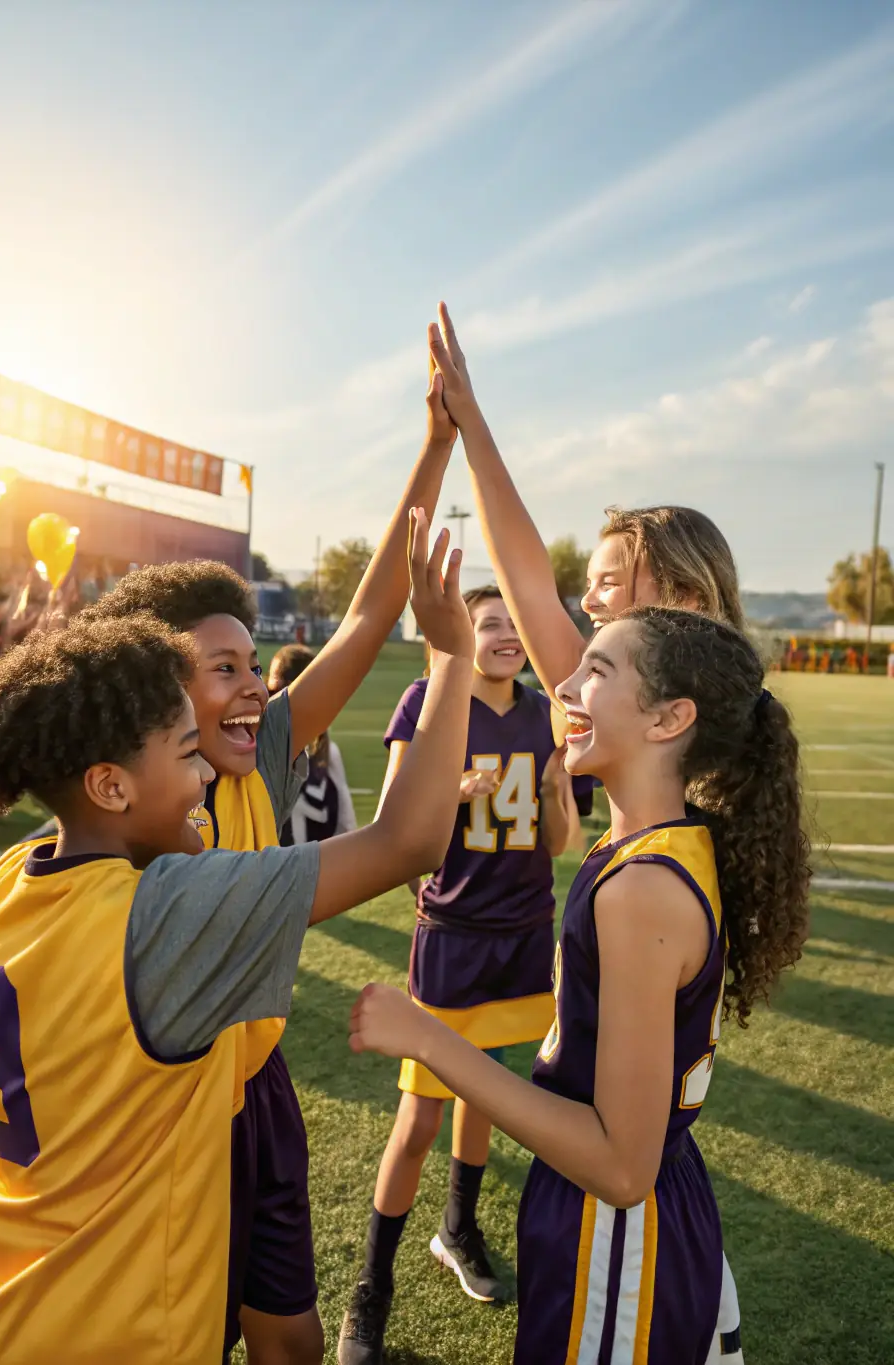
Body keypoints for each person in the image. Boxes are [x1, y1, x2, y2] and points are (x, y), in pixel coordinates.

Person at [0, 510, 477, 1365]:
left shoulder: (9, 881)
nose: (202, 782)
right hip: (104, 1325)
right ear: (110, 783)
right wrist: (451, 657)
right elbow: (409, 840)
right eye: (187, 754)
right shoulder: (163, 915)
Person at [84, 381, 457, 1365]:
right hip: (173, 1116)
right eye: (224, 669)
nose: (255, 686)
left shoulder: (265, 752)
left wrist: (434, 444)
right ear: (158, 693)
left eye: (255, 664)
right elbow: (407, 839)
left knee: (290, 1339)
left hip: (259, 1088)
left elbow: (367, 616)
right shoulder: (131, 835)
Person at [349, 607, 811, 1365]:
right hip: (623, 1212)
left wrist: (428, 1037)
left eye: (596, 670)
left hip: (616, 1233)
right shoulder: (655, 844)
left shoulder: (642, 890)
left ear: (669, 719)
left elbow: (621, 1168)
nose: (562, 686)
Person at [425, 302, 753, 1362]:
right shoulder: (664, 742)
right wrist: (471, 427)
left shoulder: (667, 778)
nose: (579, 607)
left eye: (607, 587)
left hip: (626, 1202)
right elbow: (526, 577)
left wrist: (473, 426)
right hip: (643, 1176)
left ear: (683, 603)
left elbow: (621, 1159)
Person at [337, 584, 594, 1364]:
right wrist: (451, 790)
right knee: (419, 1119)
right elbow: (393, 819)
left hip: (523, 937)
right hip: (452, 938)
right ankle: (371, 1287)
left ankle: (458, 1226)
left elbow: (559, 840)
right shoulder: (428, 698)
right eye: (489, 623)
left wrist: (552, 793)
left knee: (485, 1089)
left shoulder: (548, 712)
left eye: (515, 622)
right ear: (461, 633)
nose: (507, 634)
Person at [266, 643, 358, 845]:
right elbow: (346, 828)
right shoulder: (328, 753)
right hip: (319, 863)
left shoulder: (259, 752)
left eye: (272, 692)